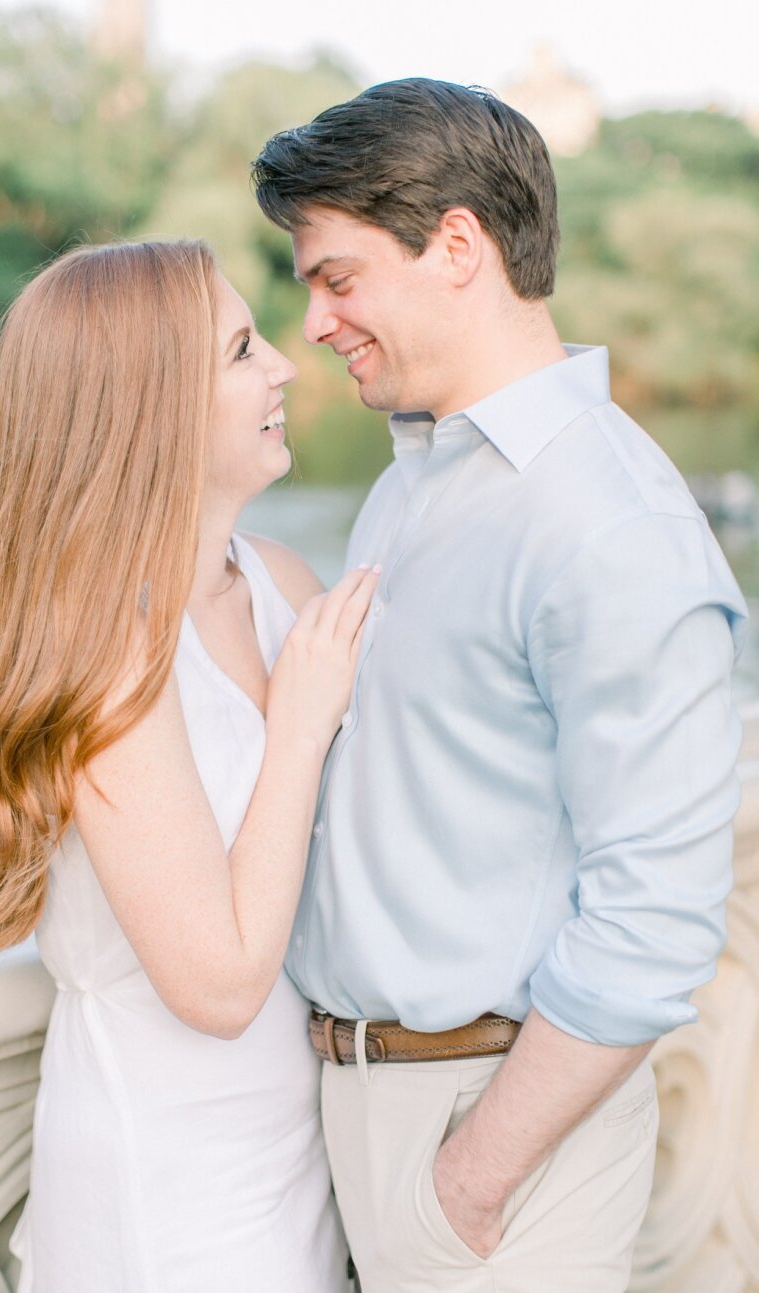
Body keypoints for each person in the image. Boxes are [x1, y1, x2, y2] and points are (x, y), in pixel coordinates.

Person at [251, 78, 746, 1292]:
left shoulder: (607, 524)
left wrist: (473, 1176)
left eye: (336, 276)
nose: (313, 321)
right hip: (359, 1119)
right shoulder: (415, 477)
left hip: (492, 1149)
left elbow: (656, 917)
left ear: (457, 245)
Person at [0, 239, 377, 1292]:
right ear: (146, 406)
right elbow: (215, 985)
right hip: (171, 1202)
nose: (282, 367)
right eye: (237, 352)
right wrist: (301, 728)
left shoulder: (276, 580)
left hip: (301, 1162)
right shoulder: (105, 649)